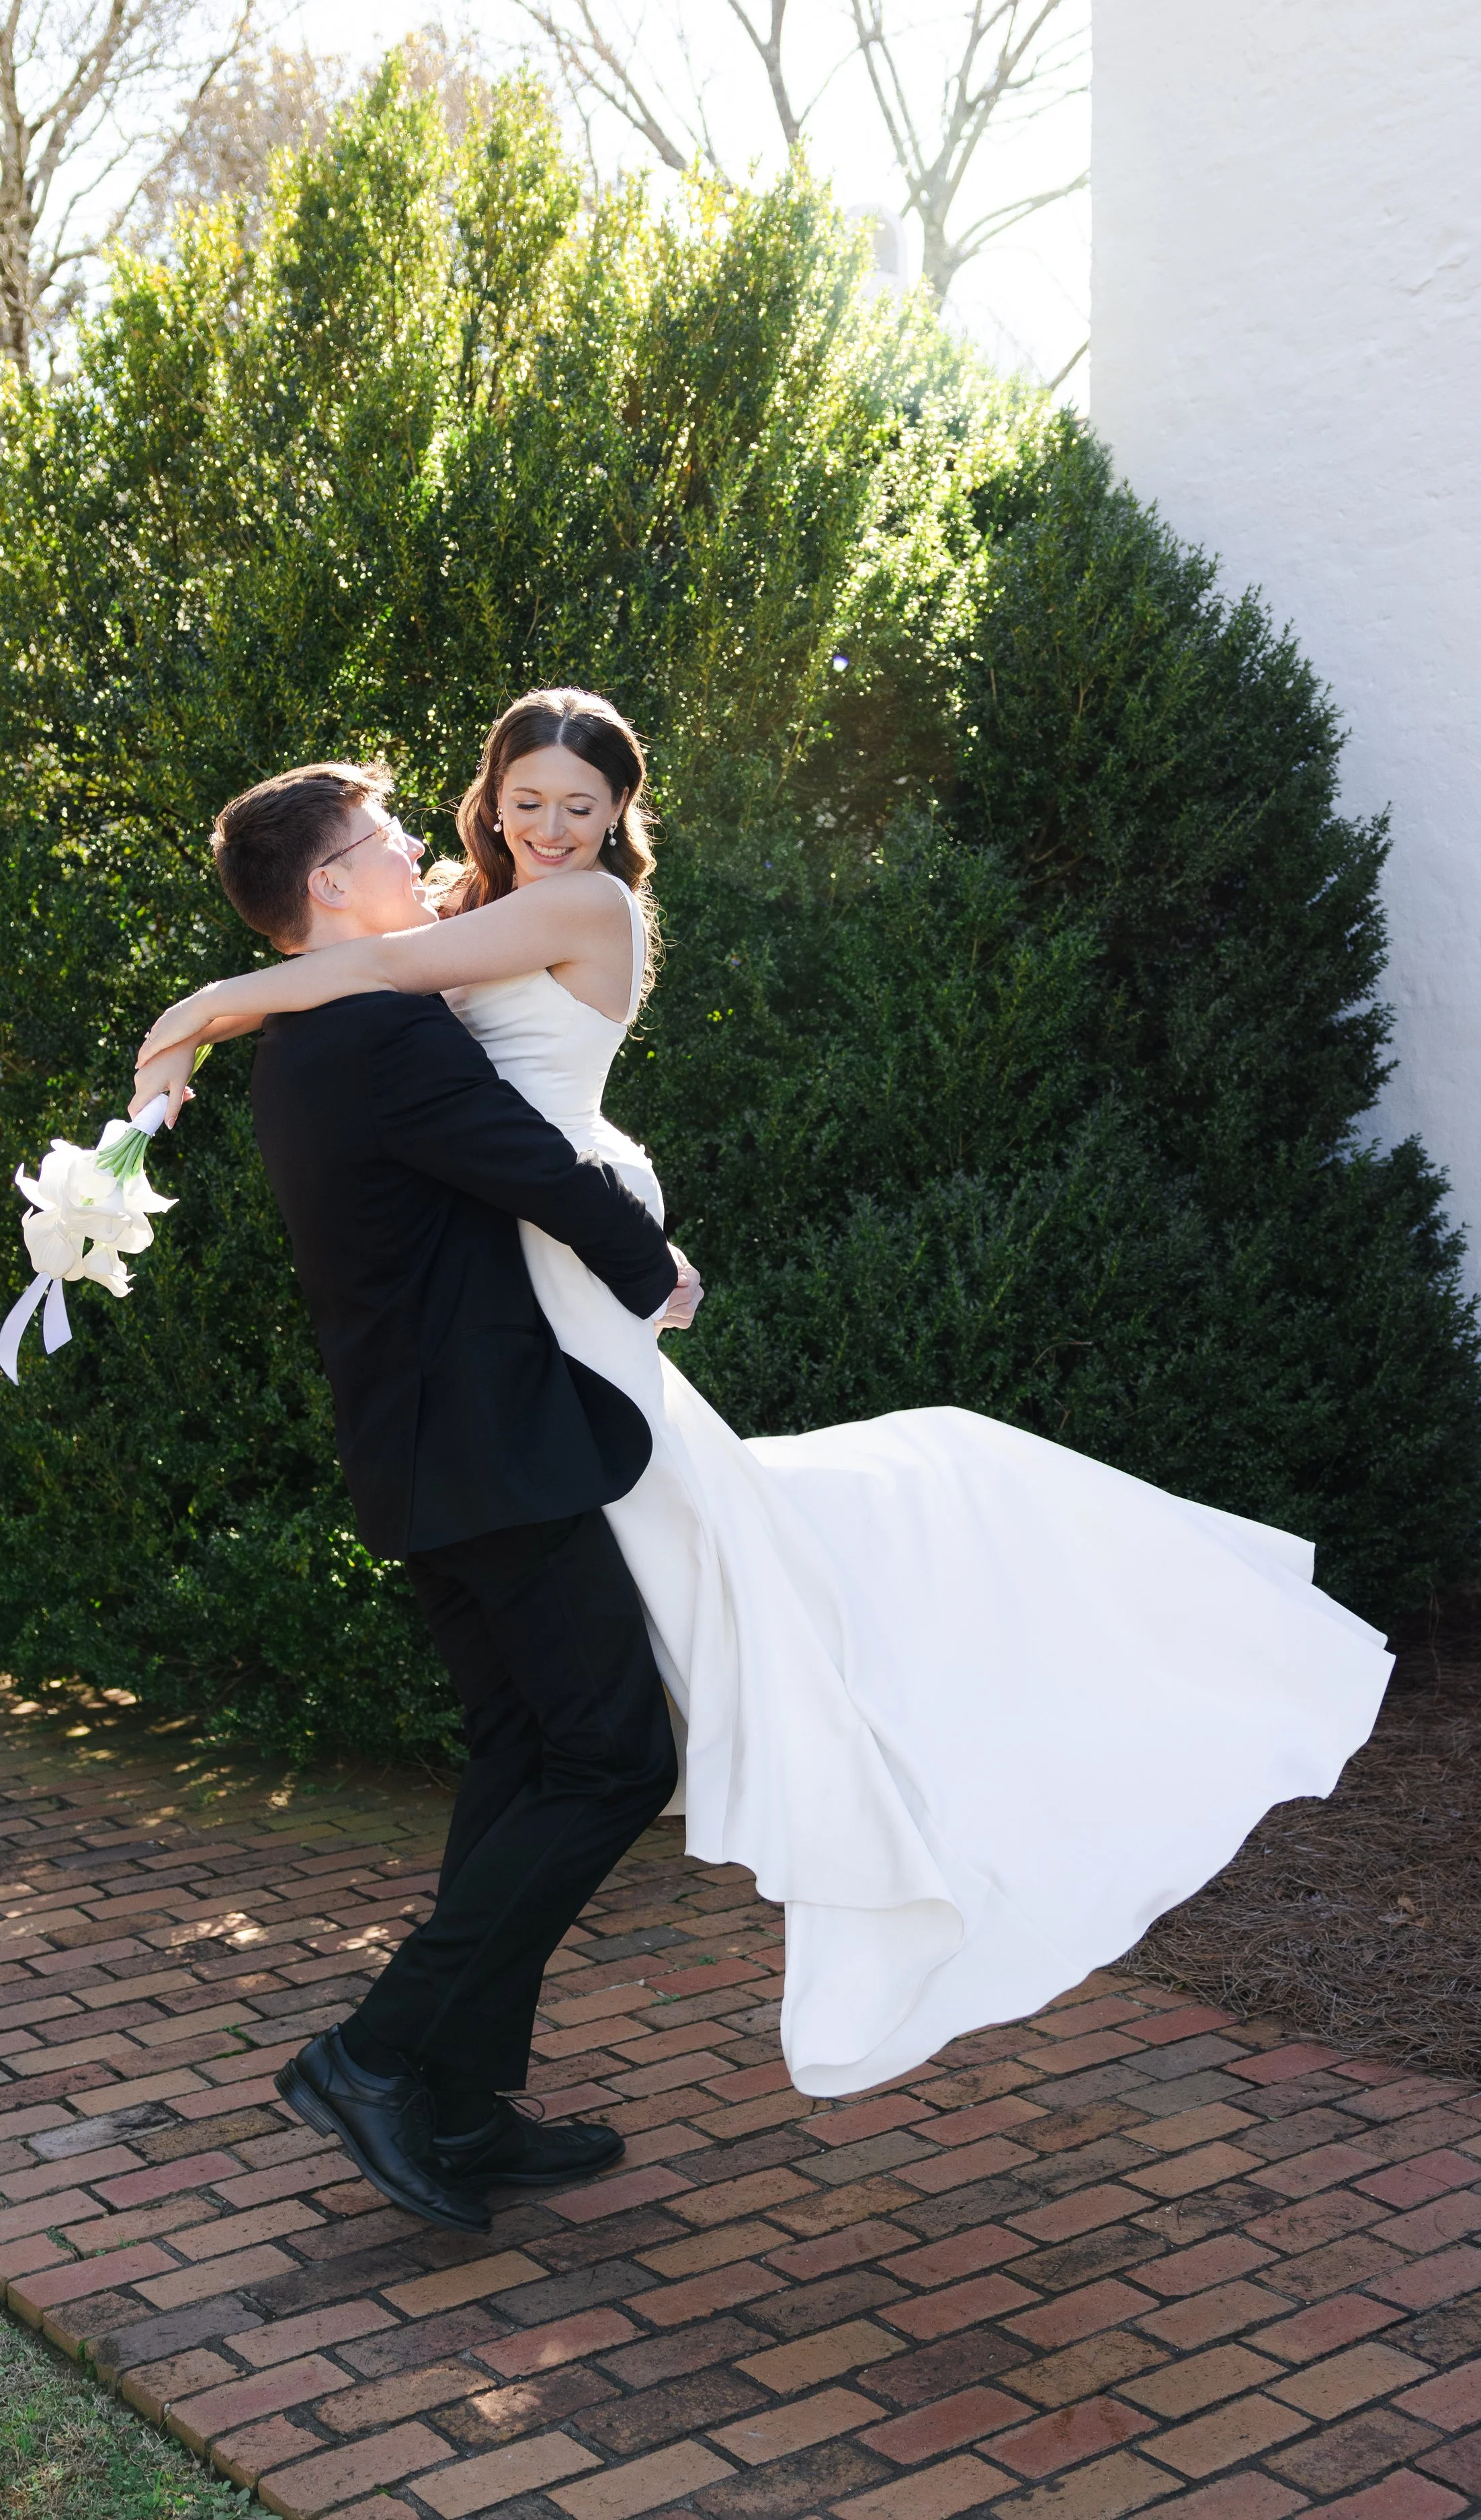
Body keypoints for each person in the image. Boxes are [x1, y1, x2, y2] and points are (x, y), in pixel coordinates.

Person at [135, 688, 1394, 2113]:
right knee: (591, 1739)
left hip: (516, 1362)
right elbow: (426, 1064)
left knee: (585, 1716)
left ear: (619, 823)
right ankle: (413, 2074)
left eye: (581, 807)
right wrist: (628, 1245)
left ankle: (438, 2082)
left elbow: (366, 990)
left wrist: (201, 1007)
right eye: (518, 802)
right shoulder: (399, 985)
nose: (537, 828)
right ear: (473, 810)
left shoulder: (544, 926)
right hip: (516, 1361)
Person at [163, 756, 698, 2236]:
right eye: (385, 838)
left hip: (427, 1450)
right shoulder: (378, 1038)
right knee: (605, 1761)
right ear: (331, 884)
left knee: (524, 1754)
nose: (415, 850)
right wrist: (655, 1270)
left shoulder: (313, 1040)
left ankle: (460, 2104)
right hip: (486, 1447)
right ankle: (378, 2057)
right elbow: (525, 1161)